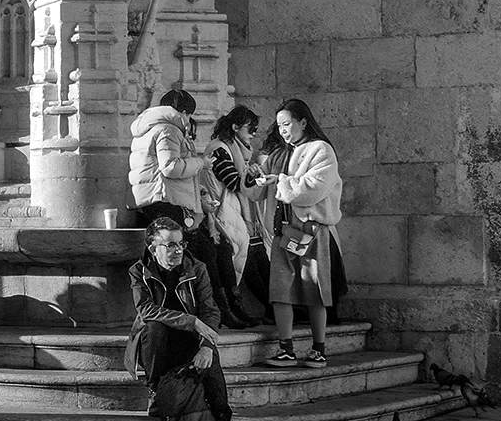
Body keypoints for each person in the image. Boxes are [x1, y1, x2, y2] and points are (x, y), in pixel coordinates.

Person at [243, 98, 347, 366]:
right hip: (283, 232)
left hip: (311, 231)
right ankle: (286, 348)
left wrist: (279, 180)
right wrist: (253, 176)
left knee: (314, 291)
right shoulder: (277, 154)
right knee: (280, 292)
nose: (283, 131)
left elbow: (313, 189)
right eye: (279, 126)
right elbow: (256, 193)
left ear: (303, 122)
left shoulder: (321, 150)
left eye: (287, 124)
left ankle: (318, 349)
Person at [126, 216, 234, 421]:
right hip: (158, 343)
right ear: (153, 248)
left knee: (211, 362)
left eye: (181, 244)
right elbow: (146, 310)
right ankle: (155, 391)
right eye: (171, 245)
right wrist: (190, 321)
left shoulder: (197, 268)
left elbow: (210, 310)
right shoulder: (139, 271)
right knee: (153, 329)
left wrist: (206, 346)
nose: (178, 250)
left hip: (190, 339)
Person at [127, 88, 225, 289]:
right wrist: (201, 163)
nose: (189, 121)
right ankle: (204, 305)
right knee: (188, 260)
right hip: (168, 201)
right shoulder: (168, 130)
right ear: (183, 112)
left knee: (199, 255)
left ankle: (212, 304)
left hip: (155, 201)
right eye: (189, 115)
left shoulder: (148, 128)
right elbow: (171, 167)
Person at [208, 104, 267, 325]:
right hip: (221, 212)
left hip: (234, 212)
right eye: (250, 128)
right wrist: (250, 176)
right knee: (240, 255)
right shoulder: (219, 150)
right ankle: (234, 310)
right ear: (235, 127)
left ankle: (258, 308)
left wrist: (251, 175)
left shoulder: (237, 151)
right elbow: (233, 182)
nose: (254, 133)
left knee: (252, 255)